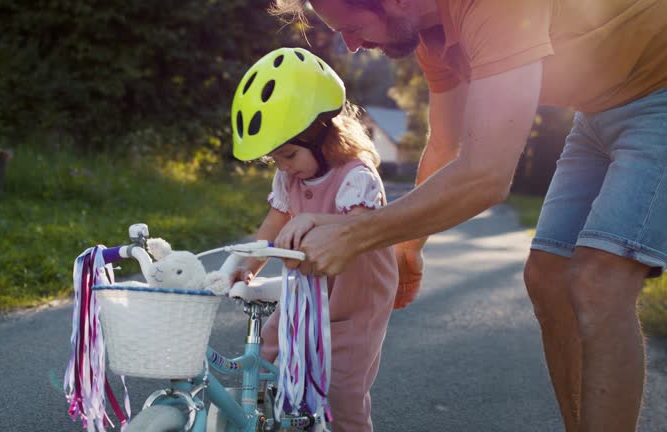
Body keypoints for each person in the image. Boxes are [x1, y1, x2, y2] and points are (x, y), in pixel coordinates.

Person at [267, 1, 667, 432]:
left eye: (351, 26)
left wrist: (354, 234)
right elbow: (446, 144)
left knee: (600, 279)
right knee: (548, 277)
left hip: (659, 89)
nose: (351, 43)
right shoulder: (430, 35)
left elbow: (486, 174)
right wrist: (407, 248)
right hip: (597, 113)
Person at [229, 47, 399, 431]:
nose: (283, 166)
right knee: (268, 361)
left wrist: (310, 218)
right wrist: (246, 267)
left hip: (354, 304)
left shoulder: (357, 175)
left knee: (342, 391)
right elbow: (272, 227)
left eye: (288, 155)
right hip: (306, 294)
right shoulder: (290, 177)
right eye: (275, 159)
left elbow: (353, 230)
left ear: (324, 135)